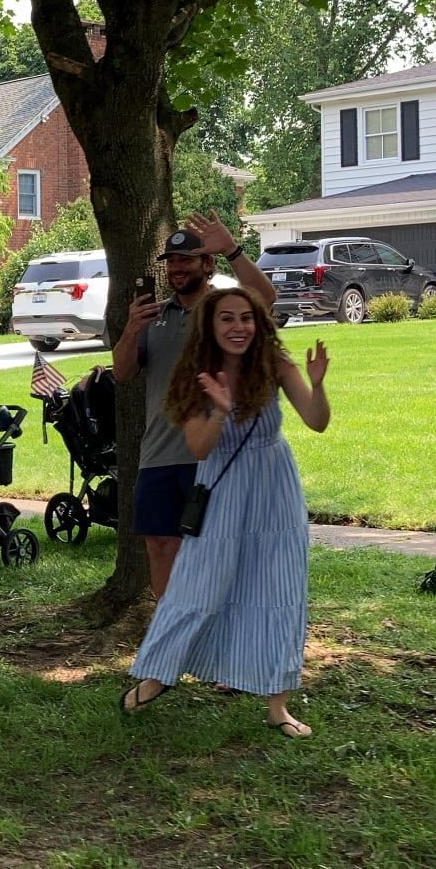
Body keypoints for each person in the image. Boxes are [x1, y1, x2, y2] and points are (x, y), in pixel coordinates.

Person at [123, 288, 331, 739]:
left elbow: (316, 420)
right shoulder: (195, 375)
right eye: (227, 320)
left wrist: (317, 384)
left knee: (280, 587)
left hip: (274, 489)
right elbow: (198, 446)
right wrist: (219, 410)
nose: (239, 327)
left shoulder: (274, 364)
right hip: (222, 489)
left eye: (246, 319)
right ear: (211, 329)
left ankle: (278, 706)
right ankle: (159, 674)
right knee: (197, 583)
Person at [112, 214, 277, 600]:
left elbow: (265, 299)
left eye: (186, 259)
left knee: (218, 550)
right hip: (159, 454)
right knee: (160, 546)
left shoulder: (225, 310)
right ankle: (171, 634)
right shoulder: (154, 317)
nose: (176, 267)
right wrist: (132, 328)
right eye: (171, 261)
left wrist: (233, 249)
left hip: (216, 453)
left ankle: (217, 634)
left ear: (208, 264)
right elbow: (122, 372)